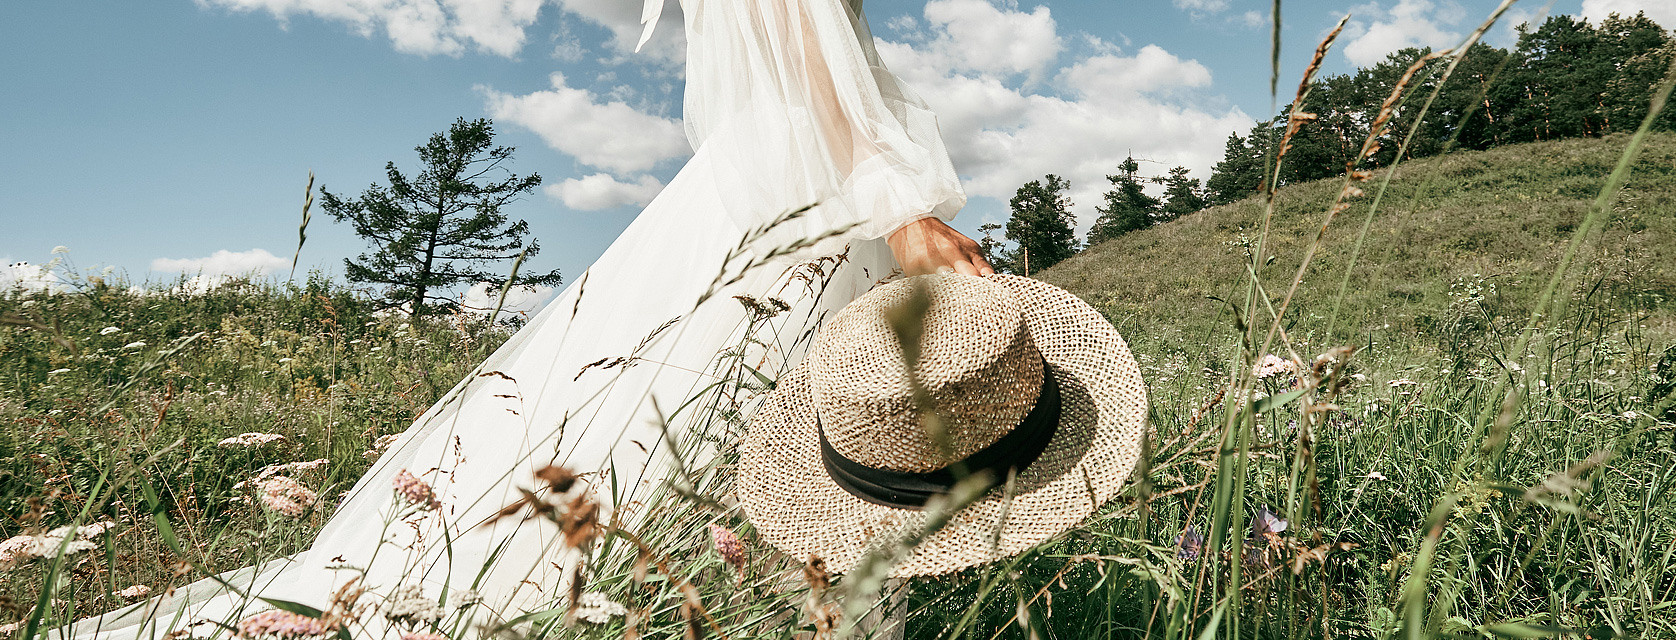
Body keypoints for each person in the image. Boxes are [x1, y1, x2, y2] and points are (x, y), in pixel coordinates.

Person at [62, 0, 988, 637]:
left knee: (767, 445)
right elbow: (799, 31)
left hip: (800, 174)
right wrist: (899, 207)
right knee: (753, 433)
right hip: (822, 182)